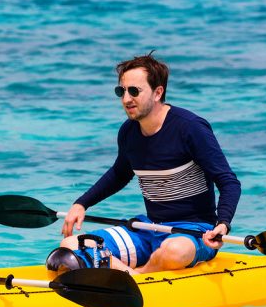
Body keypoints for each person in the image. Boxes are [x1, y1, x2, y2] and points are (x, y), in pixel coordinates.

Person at [56, 52, 241, 275]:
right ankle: (130, 276)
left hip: (194, 232)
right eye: (121, 91)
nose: (126, 99)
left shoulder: (190, 128)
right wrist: (81, 204)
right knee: (72, 246)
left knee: (174, 251)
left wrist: (222, 224)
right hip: (148, 228)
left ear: (158, 92)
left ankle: (140, 275)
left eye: (134, 91)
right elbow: (119, 173)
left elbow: (228, 181)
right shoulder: (128, 131)